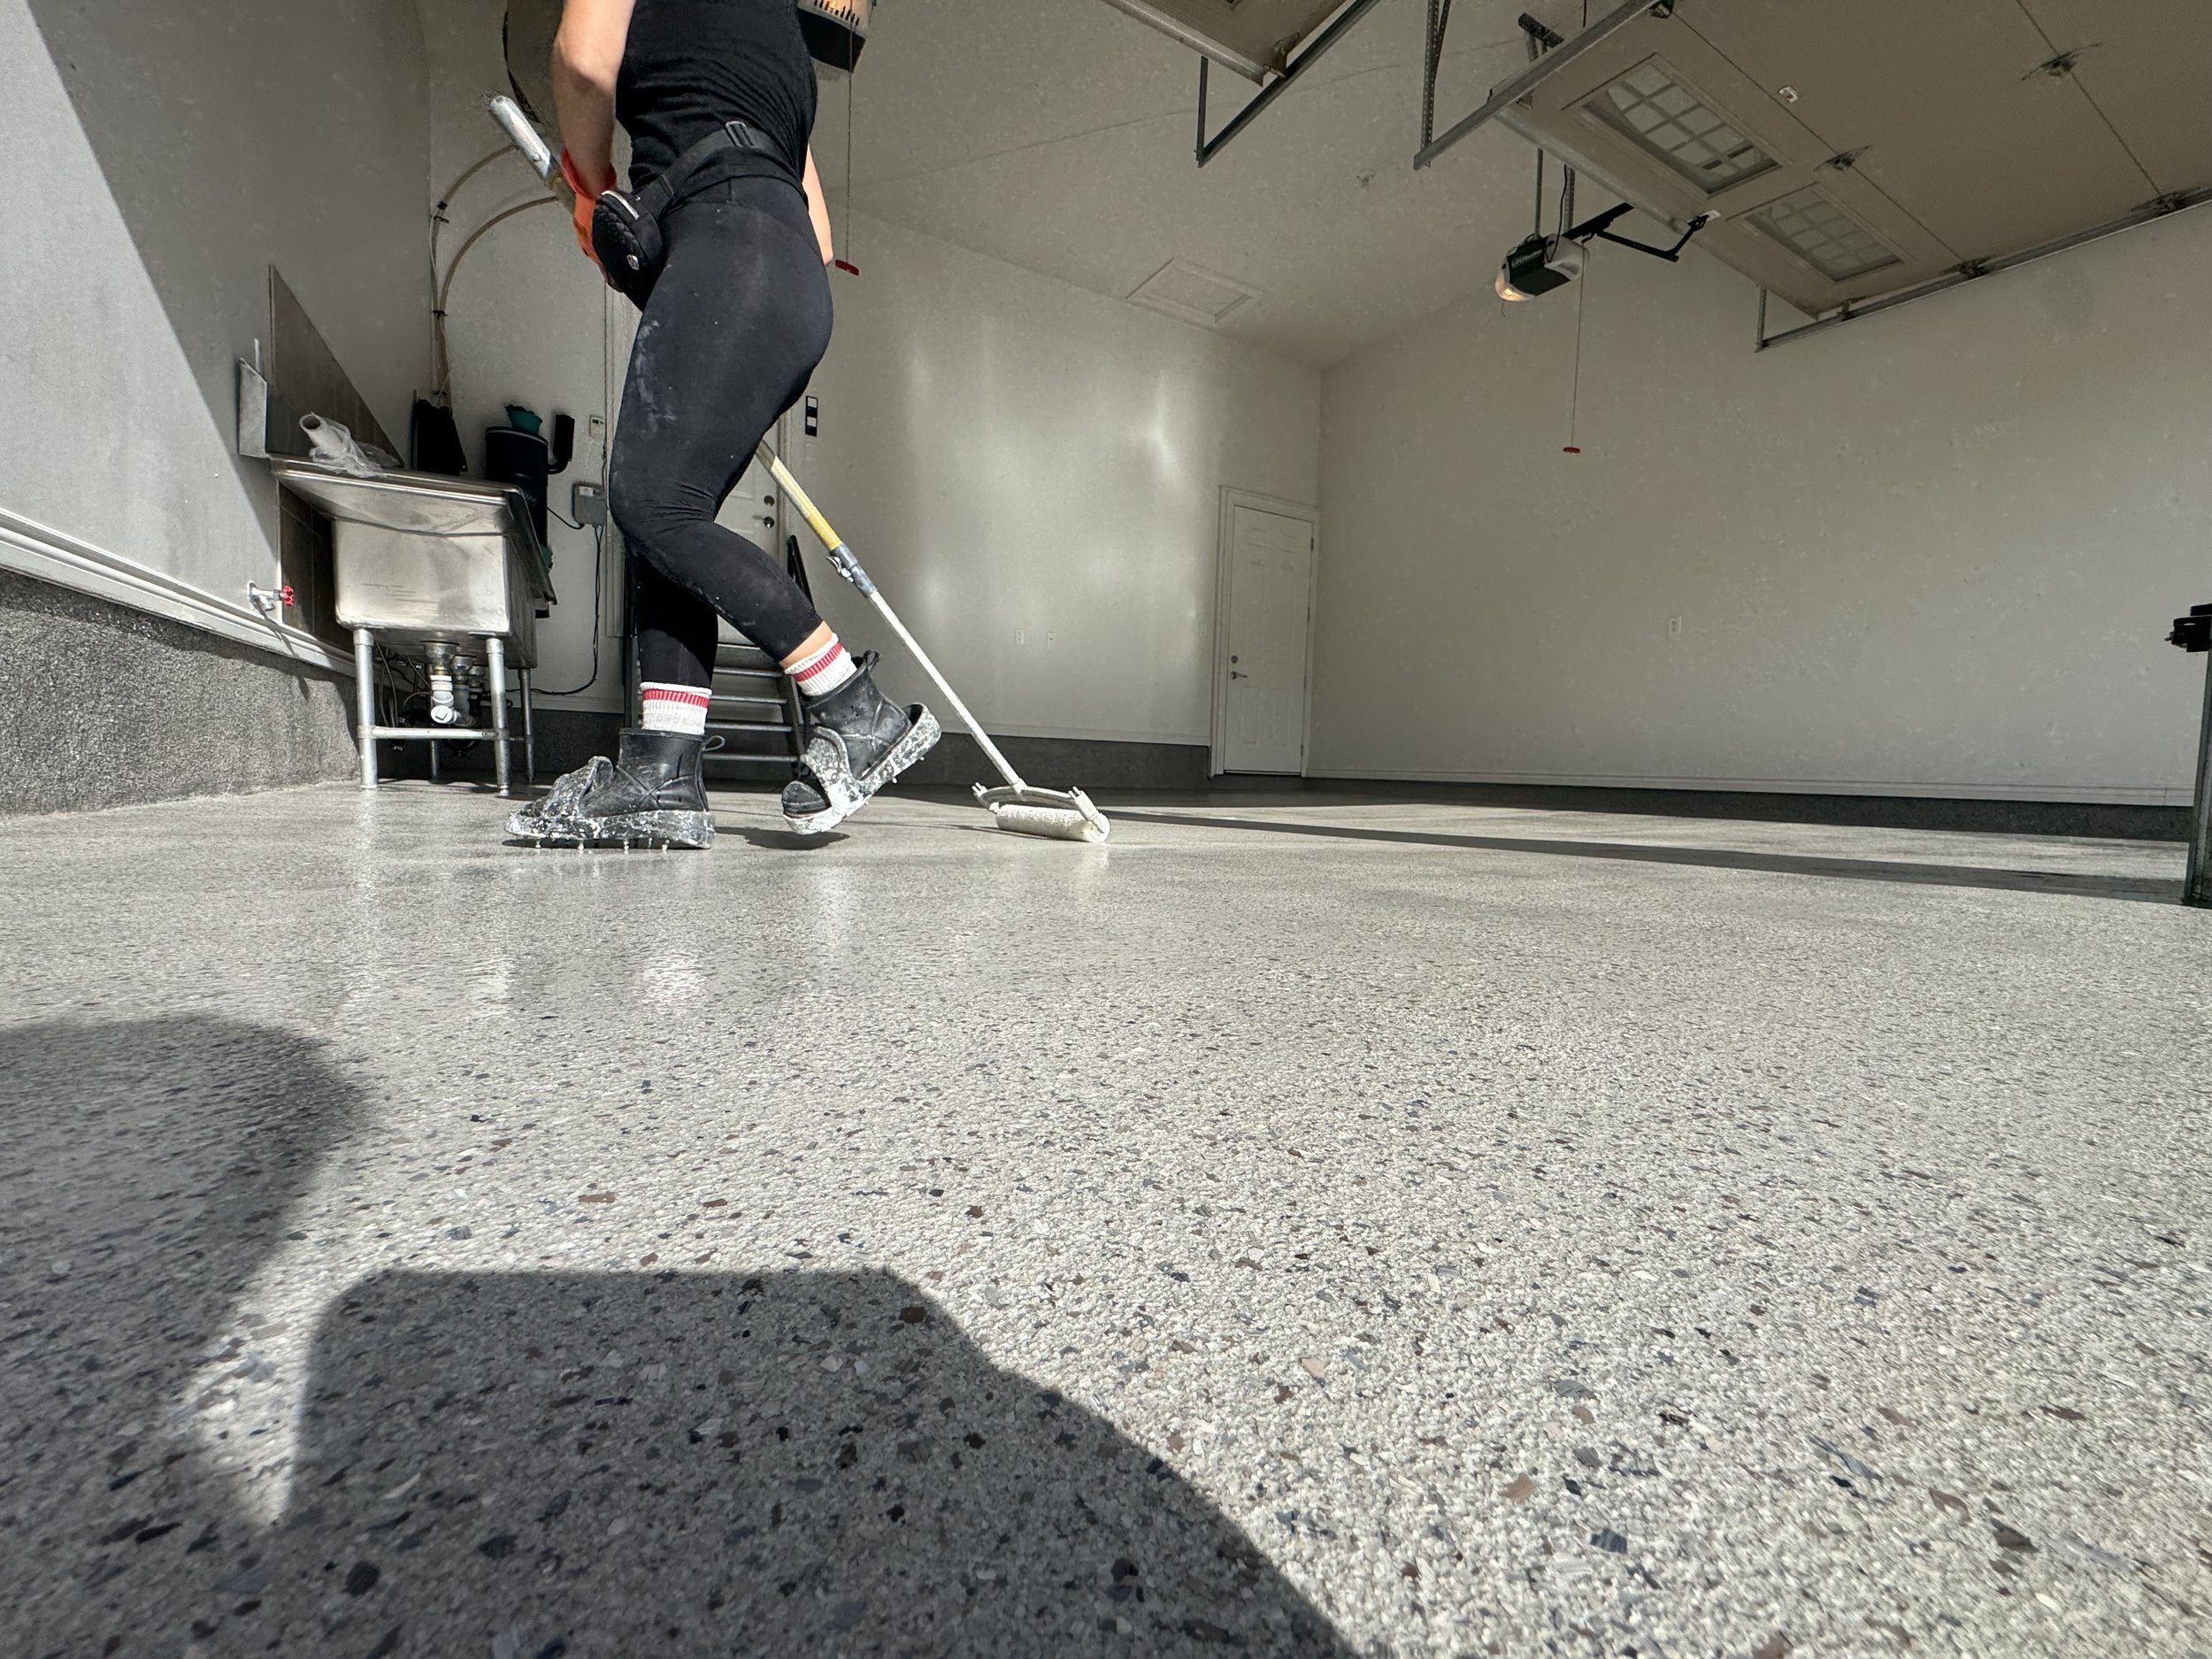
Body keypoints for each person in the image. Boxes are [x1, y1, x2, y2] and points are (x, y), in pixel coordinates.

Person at [511, 0, 937, 849]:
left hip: (730, 241)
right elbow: (814, 224)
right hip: (789, 277)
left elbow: (584, 61)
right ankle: (661, 770)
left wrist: (594, 194)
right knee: (674, 521)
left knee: (649, 503)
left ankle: (852, 705)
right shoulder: (773, 32)